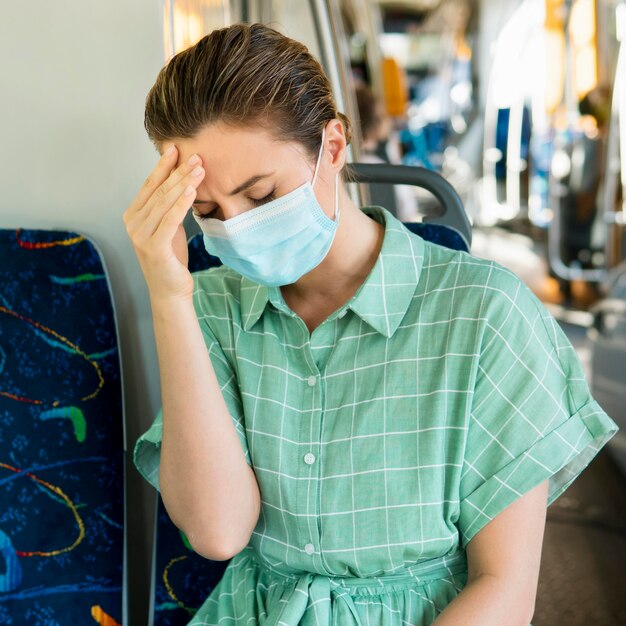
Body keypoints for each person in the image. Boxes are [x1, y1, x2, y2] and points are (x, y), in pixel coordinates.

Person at [125, 23, 618, 626]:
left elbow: (505, 588)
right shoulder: (211, 307)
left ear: (332, 148)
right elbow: (218, 533)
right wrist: (170, 296)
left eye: (261, 195)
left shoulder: (485, 312)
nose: (237, 228)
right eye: (207, 212)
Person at [355, 83, 419, 221]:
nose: (388, 119)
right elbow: (408, 210)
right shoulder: (375, 167)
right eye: (383, 116)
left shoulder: (370, 160)